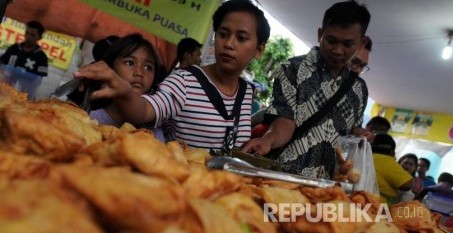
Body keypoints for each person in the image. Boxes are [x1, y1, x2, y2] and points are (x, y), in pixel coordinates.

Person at [74, 0, 270, 151]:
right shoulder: (184, 81)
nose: (229, 43)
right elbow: (144, 111)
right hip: (177, 189)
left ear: (259, 49)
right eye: (223, 34)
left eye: (241, 38)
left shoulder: (247, 92)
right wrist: (125, 91)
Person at [242, 0, 370, 179]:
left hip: (327, 189)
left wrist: (359, 135)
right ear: (320, 34)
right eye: (331, 40)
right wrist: (268, 140)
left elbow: (349, 137)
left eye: (347, 44)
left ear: (361, 42)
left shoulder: (359, 90)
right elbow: (285, 121)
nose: (338, 50)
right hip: (281, 178)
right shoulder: (293, 69)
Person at [371, 134, 413, 204]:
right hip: (375, 205)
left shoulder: (366, 156)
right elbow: (407, 184)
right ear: (392, 152)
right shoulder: (385, 160)